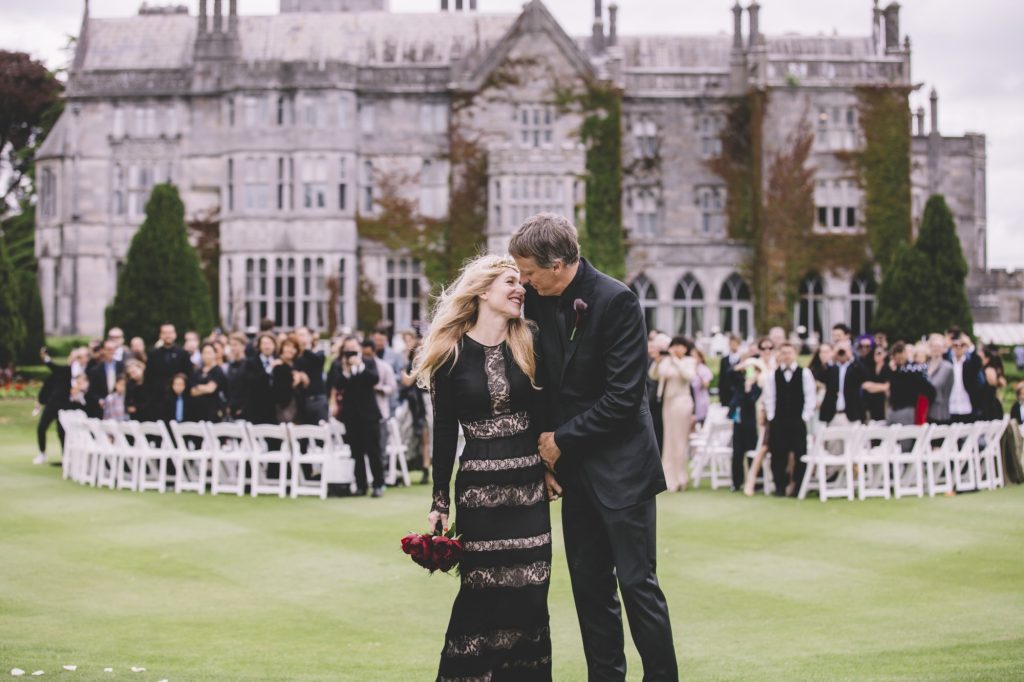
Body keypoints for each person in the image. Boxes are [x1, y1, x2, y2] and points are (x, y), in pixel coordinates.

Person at [511, 213, 677, 681]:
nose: (522, 281)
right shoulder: (537, 302)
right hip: (574, 474)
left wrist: (561, 440)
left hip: (624, 471)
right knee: (589, 590)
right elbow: (541, 384)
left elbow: (625, 399)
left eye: (529, 272)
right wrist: (546, 458)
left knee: (637, 585)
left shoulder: (617, 300)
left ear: (560, 263)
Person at [415, 254, 552, 680]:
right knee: (482, 598)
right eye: (510, 282)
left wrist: (551, 465)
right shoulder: (449, 355)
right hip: (479, 493)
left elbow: (549, 411)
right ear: (482, 291)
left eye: (521, 283)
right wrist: (440, 501)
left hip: (529, 488)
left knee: (531, 597)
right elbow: (443, 436)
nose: (520, 289)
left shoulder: (530, 340)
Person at [329, 336, 386, 497]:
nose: (351, 350)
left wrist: (359, 365)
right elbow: (337, 385)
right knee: (356, 452)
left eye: (353, 347)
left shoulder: (368, 362)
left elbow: (374, 379)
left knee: (373, 451)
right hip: (351, 415)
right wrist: (346, 371)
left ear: (359, 347)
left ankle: (378, 484)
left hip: (369, 414)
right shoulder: (340, 364)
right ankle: (360, 485)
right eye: (348, 348)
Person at [763, 342, 816, 497]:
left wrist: (805, 416)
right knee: (777, 454)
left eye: (789, 352)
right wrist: (772, 416)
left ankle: (798, 486)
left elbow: (810, 396)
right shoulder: (773, 375)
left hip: (797, 420)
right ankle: (780, 486)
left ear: (795, 354)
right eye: (784, 352)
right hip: (778, 420)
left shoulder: (804, 373)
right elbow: (769, 397)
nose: (786, 355)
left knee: (800, 453)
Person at [649, 336, 696, 492]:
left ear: (686, 348)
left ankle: (680, 476)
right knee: (669, 440)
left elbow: (688, 375)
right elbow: (654, 375)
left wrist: (675, 359)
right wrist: (657, 360)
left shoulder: (689, 361)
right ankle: (669, 478)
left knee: (679, 440)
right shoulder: (667, 361)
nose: (677, 348)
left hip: (682, 402)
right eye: (675, 345)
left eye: (680, 346)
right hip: (668, 403)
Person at [35, 347, 75, 465]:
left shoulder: (71, 371)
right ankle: (42, 453)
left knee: (62, 431)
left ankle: (65, 456)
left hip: (64, 406)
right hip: (52, 404)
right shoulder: (62, 371)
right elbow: (48, 386)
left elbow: (53, 366)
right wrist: (41, 401)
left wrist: (47, 359)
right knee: (41, 427)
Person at [730, 354, 764, 492]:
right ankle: (736, 482)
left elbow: (751, 401)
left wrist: (750, 387)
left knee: (751, 451)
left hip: (751, 423)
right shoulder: (740, 383)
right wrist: (741, 366)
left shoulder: (758, 387)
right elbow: (729, 375)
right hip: (738, 422)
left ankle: (754, 481)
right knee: (737, 453)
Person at [362, 337, 397, 466]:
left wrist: (380, 389)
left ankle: (382, 471)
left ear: (373, 351)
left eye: (368, 354)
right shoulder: (359, 366)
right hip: (363, 412)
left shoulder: (384, 366)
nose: (366, 357)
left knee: (380, 444)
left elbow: (392, 386)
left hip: (380, 410)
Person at [145, 324, 192, 418]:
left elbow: (188, 375)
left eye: (170, 333)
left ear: (175, 334)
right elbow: (148, 377)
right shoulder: (153, 354)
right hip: (158, 399)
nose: (168, 335)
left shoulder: (183, 354)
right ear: (160, 335)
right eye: (165, 333)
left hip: (178, 398)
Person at [884, 342, 936, 425]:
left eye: (900, 352)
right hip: (893, 409)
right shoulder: (893, 370)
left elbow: (930, 390)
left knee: (905, 436)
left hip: (907, 410)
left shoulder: (914, 370)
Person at [819, 341, 866, 426]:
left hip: (852, 415)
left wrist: (850, 356)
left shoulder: (854, 367)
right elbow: (821, 376)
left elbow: (863, 375)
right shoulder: (832, 368)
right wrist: (832, 356)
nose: (841, 353)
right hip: (833, 415)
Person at [294, 326, 329, 425]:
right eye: (298, 335)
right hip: (301, 401)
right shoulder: (295, 356)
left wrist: (305, 348)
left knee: (320, 433)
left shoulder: (319, 353)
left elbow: (317, 360)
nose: (300, 338)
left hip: (317, 399)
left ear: (310, 337)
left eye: (303, 335)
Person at [242, 333, 278, 424]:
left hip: (274, 408)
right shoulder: (250, 362)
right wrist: (270, 368)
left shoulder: (279, 360)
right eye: (264, 344)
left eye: (270, 343)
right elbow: (253, 382)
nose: (267, 347)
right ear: (259, 346)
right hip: (256, 406)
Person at [272, 335, 308, 424]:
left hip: (299, 408)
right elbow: (279, 390)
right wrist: (294, 383)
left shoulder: (297, 366)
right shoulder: (278, 366)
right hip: (284, 408)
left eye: (293, 347)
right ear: (282, 348)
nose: (290, 350)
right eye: (287, 346)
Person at [948, 331, 983, 423]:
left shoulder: (970, 364)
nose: (959, 348)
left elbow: (978, 362)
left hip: (967, 406)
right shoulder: (948, 363)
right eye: (956, 346)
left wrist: (969, 344)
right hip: (951, 407)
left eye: (962, 345)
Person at [189, 342, 228, 423]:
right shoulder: (197, 371)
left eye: (210, 352)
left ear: (215, 354)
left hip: (213, 410)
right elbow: (192, 392)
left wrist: (198, 386)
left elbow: (211, 389)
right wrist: (204, 387)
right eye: (204, 353)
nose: (207, 355)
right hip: (198, 410)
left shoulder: (218, 370)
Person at [86, 339, 125, 409]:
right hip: (102, 408)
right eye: (109, 349)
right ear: (103, 350)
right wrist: (99, 400)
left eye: (114, 349)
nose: (111, 351)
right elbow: (92, 390)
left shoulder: (122, 366)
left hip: (120, 406)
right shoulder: (95, 370)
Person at [926, 333, 954, 424]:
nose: (936, 349)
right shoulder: (926, 365)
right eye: (934, 346)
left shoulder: (947, 367)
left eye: (939, 346)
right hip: (926, 410)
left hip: (940, 413)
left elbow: (936, 384)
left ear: (943, 349)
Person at [976, 345, 1007, 420]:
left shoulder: (989, 370)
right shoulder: (981, 369)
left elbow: (995, 384)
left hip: (989, 405)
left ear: (987, 359)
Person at [862, 343, 890, 421]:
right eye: (875, 353)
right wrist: (880, 387)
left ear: (885, 354)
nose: (876, 355)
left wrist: (873, 386)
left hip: (883, 403)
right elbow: (865, 385)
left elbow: (887, 386)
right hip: (870, 402)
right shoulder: (870, 368)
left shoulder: (887, 368)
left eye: (879, 353)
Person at [224, 332, 249, 421]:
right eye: (231, 345)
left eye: (235, 345)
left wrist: (243, 408)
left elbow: (249, 389)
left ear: (243, 346)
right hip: (231, 409)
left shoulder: (248, 365)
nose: (233, 348)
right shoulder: (230, 365)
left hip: (244, 410)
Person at [690, 346, 714, 426]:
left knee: (701, 422)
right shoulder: (688, 368)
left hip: (701, 400)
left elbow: (705, 386)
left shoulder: (704, 370)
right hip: (690, 400)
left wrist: (698, 373)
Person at [718, 333, 742, 409]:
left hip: (739, 394)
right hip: (726, 394)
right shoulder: (724, 360)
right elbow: (721, 378)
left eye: (735, 343)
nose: (733, 345)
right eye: (731, 343)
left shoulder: (743, 359)